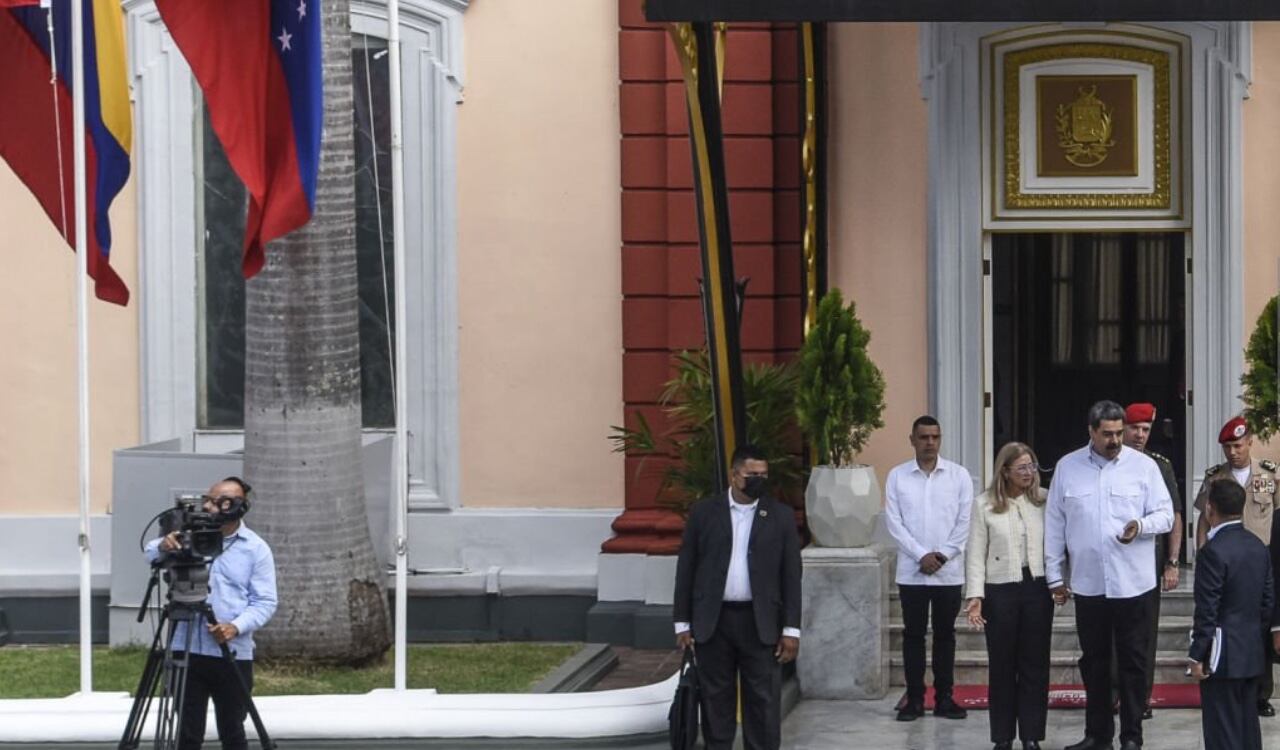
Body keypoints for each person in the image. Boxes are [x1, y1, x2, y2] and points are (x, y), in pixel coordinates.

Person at [1045, 400, 1173, 750]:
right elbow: (1055, 524)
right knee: (1095, 663)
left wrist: (1141, 525)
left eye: (1119, 433)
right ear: (1091, 431)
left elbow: (1167, 516)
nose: (1115, 440)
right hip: (1089, 584)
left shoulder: (1144, 467)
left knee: (1133, 662)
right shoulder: (1067, 467)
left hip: (1134, 583)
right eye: (1108, 434)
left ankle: (1132, 736)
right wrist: (1054, 575)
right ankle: (1097, 735)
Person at [672, 444, 802, 750]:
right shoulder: (704, 512)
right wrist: (682, 622)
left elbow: (791, 577)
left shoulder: (780, 516)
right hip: (713, 622)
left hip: (760, 623)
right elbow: (686, 568)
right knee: (716, 701)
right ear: (734, 475)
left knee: (763, 702)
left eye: (764, 475)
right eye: (752, 474)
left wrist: (791, 629)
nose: (759, 479)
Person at [145, 477, 277, 750]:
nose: (207, 506)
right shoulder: (186, 534)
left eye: (217, 502)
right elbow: (149, 553)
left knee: (233, 730)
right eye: (207, 499)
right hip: (186, 648)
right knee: (186, 733)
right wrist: (164, 546)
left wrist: (235, 626)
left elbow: (265, 601)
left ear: (236, 507)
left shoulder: (255, 549)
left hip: (232, 651)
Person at [884, 415, 973, 721]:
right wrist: (921, 555)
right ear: (912, 440)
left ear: (940, 438)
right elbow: (894, 523)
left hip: (948, 574)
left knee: (946, 636)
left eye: (935, 437)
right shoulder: (897, 476)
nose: (930, 443)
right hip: (912, 572)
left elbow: (964, 522)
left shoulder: (959, 476)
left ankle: (945, 698)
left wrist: (943, 556)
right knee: (913, 636)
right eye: (923, 437)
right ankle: (915, 700)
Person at [964, 442, 1051, 750]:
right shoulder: (983, 504)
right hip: (999, 590)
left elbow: (1055, 547)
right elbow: (975, 554)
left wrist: (1059, 582)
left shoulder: (1043, 501)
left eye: (1031, 467)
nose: (1028, 474)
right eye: (1022, 468)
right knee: (1002, 666)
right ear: (1005, 471)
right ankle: (1002, 737)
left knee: (1035, 664)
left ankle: (1031, 736)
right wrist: (975, 595)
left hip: (1037, 589)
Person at [1192, 416, 1280, 715]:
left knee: (1262, 625)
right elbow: (1203, 520)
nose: (1232, 452)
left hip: (1261, 560)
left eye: (1237, 445)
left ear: (1250, 442)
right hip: (1224, 561)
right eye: (1227, 447)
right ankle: (1226, 676)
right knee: (1226, 623)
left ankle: (1260, 693)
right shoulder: (1216, 478)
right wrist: (1203, 553)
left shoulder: (1270, 475)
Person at [1190, 480, 1275, 750]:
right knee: (1248, 729)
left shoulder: (1212, 552)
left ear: (1209, 508)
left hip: (1221, 655)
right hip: (1251, 650)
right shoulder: (1258, 547)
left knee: (1222, 732)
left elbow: (1207, 610)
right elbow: (1267, 601)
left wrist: (1197, 655)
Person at [1121, 402, 1183, 719]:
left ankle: (1140, 700)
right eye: (1135, 428)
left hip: (1148, 562)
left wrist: (1172, 563)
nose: (1140, 435)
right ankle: (1113, 696)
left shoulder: (1160, 465)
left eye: (1146, 430)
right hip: (1115, 562)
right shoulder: (1108, 462)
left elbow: (1173, 516)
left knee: (1145, 636)